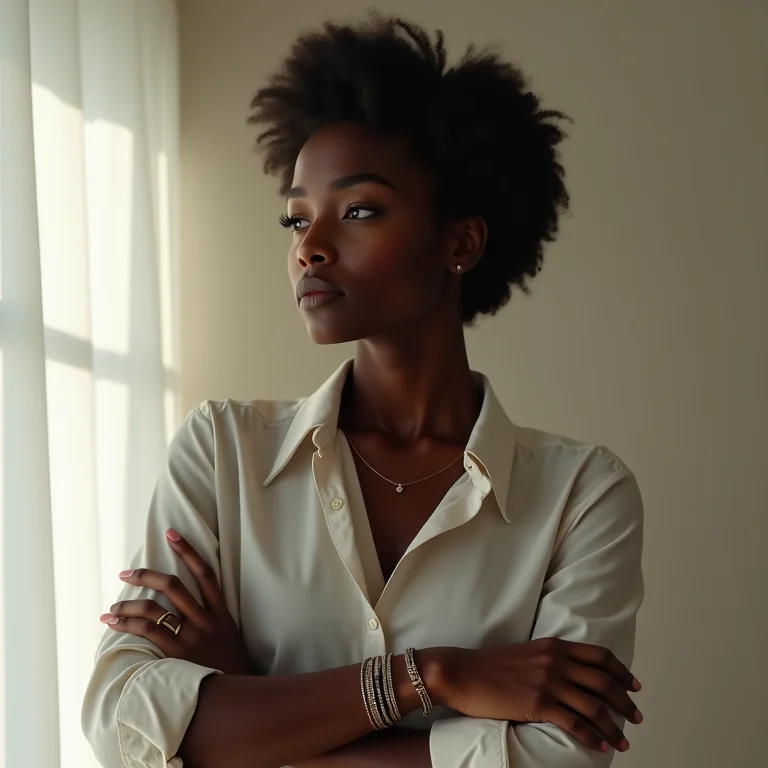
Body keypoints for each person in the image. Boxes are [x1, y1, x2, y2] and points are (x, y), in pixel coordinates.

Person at [82, 13, 644, 768]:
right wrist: (430, 677)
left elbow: (559, 759)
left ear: (460, 241)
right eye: (295, 219)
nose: (309, 246)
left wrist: (248, 709)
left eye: (358, 211)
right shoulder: (221, 452)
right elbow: (122, 722)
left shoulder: (582, 496)